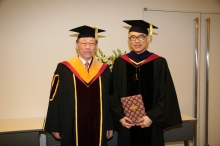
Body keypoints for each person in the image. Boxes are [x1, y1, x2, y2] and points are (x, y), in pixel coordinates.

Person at [110, 20, 182, 146]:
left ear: (148, 39)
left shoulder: (159, 63)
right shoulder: (120, 63)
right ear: (129, 40)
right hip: (127, 124)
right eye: (133, 37)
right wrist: (120, 117)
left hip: (151, 124)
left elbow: (165, 94)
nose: (137, 41)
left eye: (141, 37)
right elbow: (112, 92)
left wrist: (152, 117)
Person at [45, 25, 114, 146]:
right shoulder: (63, 69)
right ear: (77, 45)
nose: (88, 47)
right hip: (71, 125)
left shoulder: (104, 70)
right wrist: (55, 125)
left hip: (97, 126)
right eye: (84, 43)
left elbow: (109, 99)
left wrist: (109, 124)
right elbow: (54, 98)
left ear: (96, 47)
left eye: (92, 43)